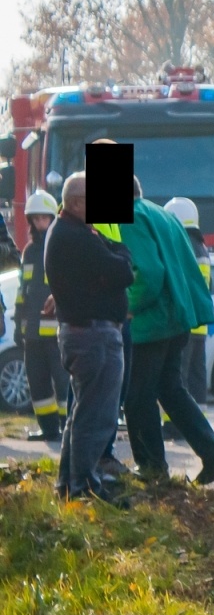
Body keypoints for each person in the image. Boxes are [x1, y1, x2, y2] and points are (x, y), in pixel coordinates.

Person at [121, 178, 214, 484]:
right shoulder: (161, 214)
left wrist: (129, 306)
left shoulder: (129, 217)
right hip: (176, 319)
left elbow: (149, 273)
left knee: (138, 395)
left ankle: (152, 466)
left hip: (151, 323)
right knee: (171, 389)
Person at [43, 172, 134, 500]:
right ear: (78, 202)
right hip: (92, 335)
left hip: (85, 333)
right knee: (97, 415)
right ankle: (83, 486)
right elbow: (122, 271)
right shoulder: (76, 236)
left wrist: (111, 250)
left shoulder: (68, 231)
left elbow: (112, 268)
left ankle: (70, 485)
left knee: (82, 413)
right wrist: (120, 250)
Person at [15, 190, 69, 442]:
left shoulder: (59, 245)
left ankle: (67, 426)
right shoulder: (29, 251)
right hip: (32, 332)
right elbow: (22, 290)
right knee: (37, 382)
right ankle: (48, 429)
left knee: (62, 381)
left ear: (52, 217)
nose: (39, 224)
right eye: (34, 219)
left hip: (56, 331)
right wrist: (18, 323)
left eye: (43, 218)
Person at [163, 197, 211, 405]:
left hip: (184, 322)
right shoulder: (201, 248)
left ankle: (173, 425)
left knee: (177, 377)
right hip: (199, 326)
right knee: (196, 376)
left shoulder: (182, 245)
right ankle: (199, 420)